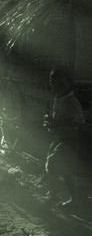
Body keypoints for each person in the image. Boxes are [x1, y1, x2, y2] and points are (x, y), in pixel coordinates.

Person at [43, 66, 86, 207]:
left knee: (52, 165)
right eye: (53, 84)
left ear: (68, 83)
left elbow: (77, 121)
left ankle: (55, 195)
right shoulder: (59, 98)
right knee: (65, 171)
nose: (56, 87)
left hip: (70, 140)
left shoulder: (71, 102)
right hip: (61, 138)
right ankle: (68, 198)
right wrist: (51, 121)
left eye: (59, 84)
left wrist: (56, 123)